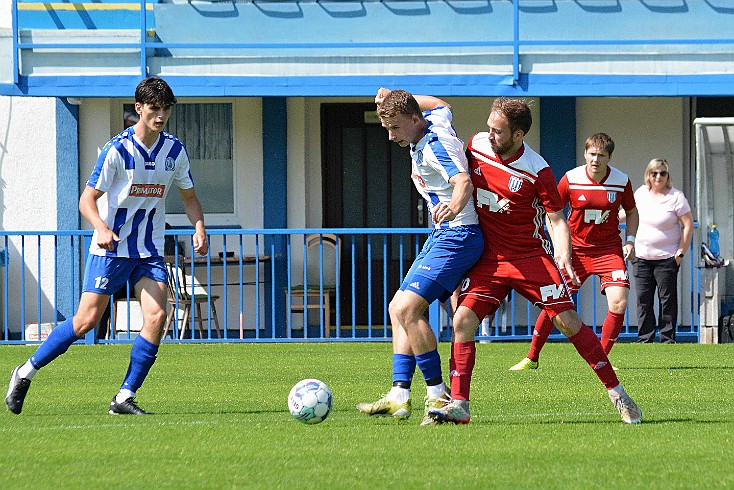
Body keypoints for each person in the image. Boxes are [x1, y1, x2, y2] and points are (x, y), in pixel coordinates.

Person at [427, 98, 642, 425]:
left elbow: (557, 220)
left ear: (518, 134)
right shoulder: (476, 146)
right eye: (488, 126)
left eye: (497, 130)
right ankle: (460, 404)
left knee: (567, 322)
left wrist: (563, 253)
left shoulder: (538, 170)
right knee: (462, 321)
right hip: (490, 258)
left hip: (529, 257)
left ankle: (619, 395)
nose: (489, 134)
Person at [5, 77, 208, 415]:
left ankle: (124, 396)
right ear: (139, 108)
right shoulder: (117, 150)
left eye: (166, 109)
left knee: (158, 315)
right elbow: (87, 200)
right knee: (85, 321)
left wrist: (199, 227)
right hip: (111, 249)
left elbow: (190, 198)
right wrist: (99, 227)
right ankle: (24, 372)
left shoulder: (175, 151)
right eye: (154, 109)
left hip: (148, 251)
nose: (160, 116)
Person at [356, 88, 483, 425]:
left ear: (413, 120)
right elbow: (443, 104)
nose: (390, 136)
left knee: (406, 309)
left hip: (458, 235)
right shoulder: (433, 120)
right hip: (445, 235)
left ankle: (438, 393)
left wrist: (454, 206)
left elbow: (463, 182)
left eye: (395, 128)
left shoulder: (434, 148)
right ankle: (399, 395)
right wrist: (401, 95)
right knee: (397, 310)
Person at [509, 132, 639, 371]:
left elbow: (631, 211)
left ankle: (601, 358)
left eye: (601, 155)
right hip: (575, 251)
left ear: (609, 157)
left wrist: (630, 240)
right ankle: (532, 357)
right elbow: (552, 211)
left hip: (608, 251)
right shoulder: (571, 179)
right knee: (555, 302)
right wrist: (560, 246)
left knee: (619, 302)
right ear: (585, 154)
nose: (596, 159)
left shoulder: (621, 180)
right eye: (592, 154)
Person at [632, 158, 693, 343]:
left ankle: (667, 339)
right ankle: (645, 339)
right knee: (643, 300)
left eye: (662, 173)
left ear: (668, 176)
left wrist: (680, 253)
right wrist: (604, 216)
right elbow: (627, 214)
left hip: (667, 258)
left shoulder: (676, 197)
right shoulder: (641, 193)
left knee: (667, 301)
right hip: (641, 257)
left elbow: (688, 225)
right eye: (654, 173)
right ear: (648, 175)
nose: (658, 177)